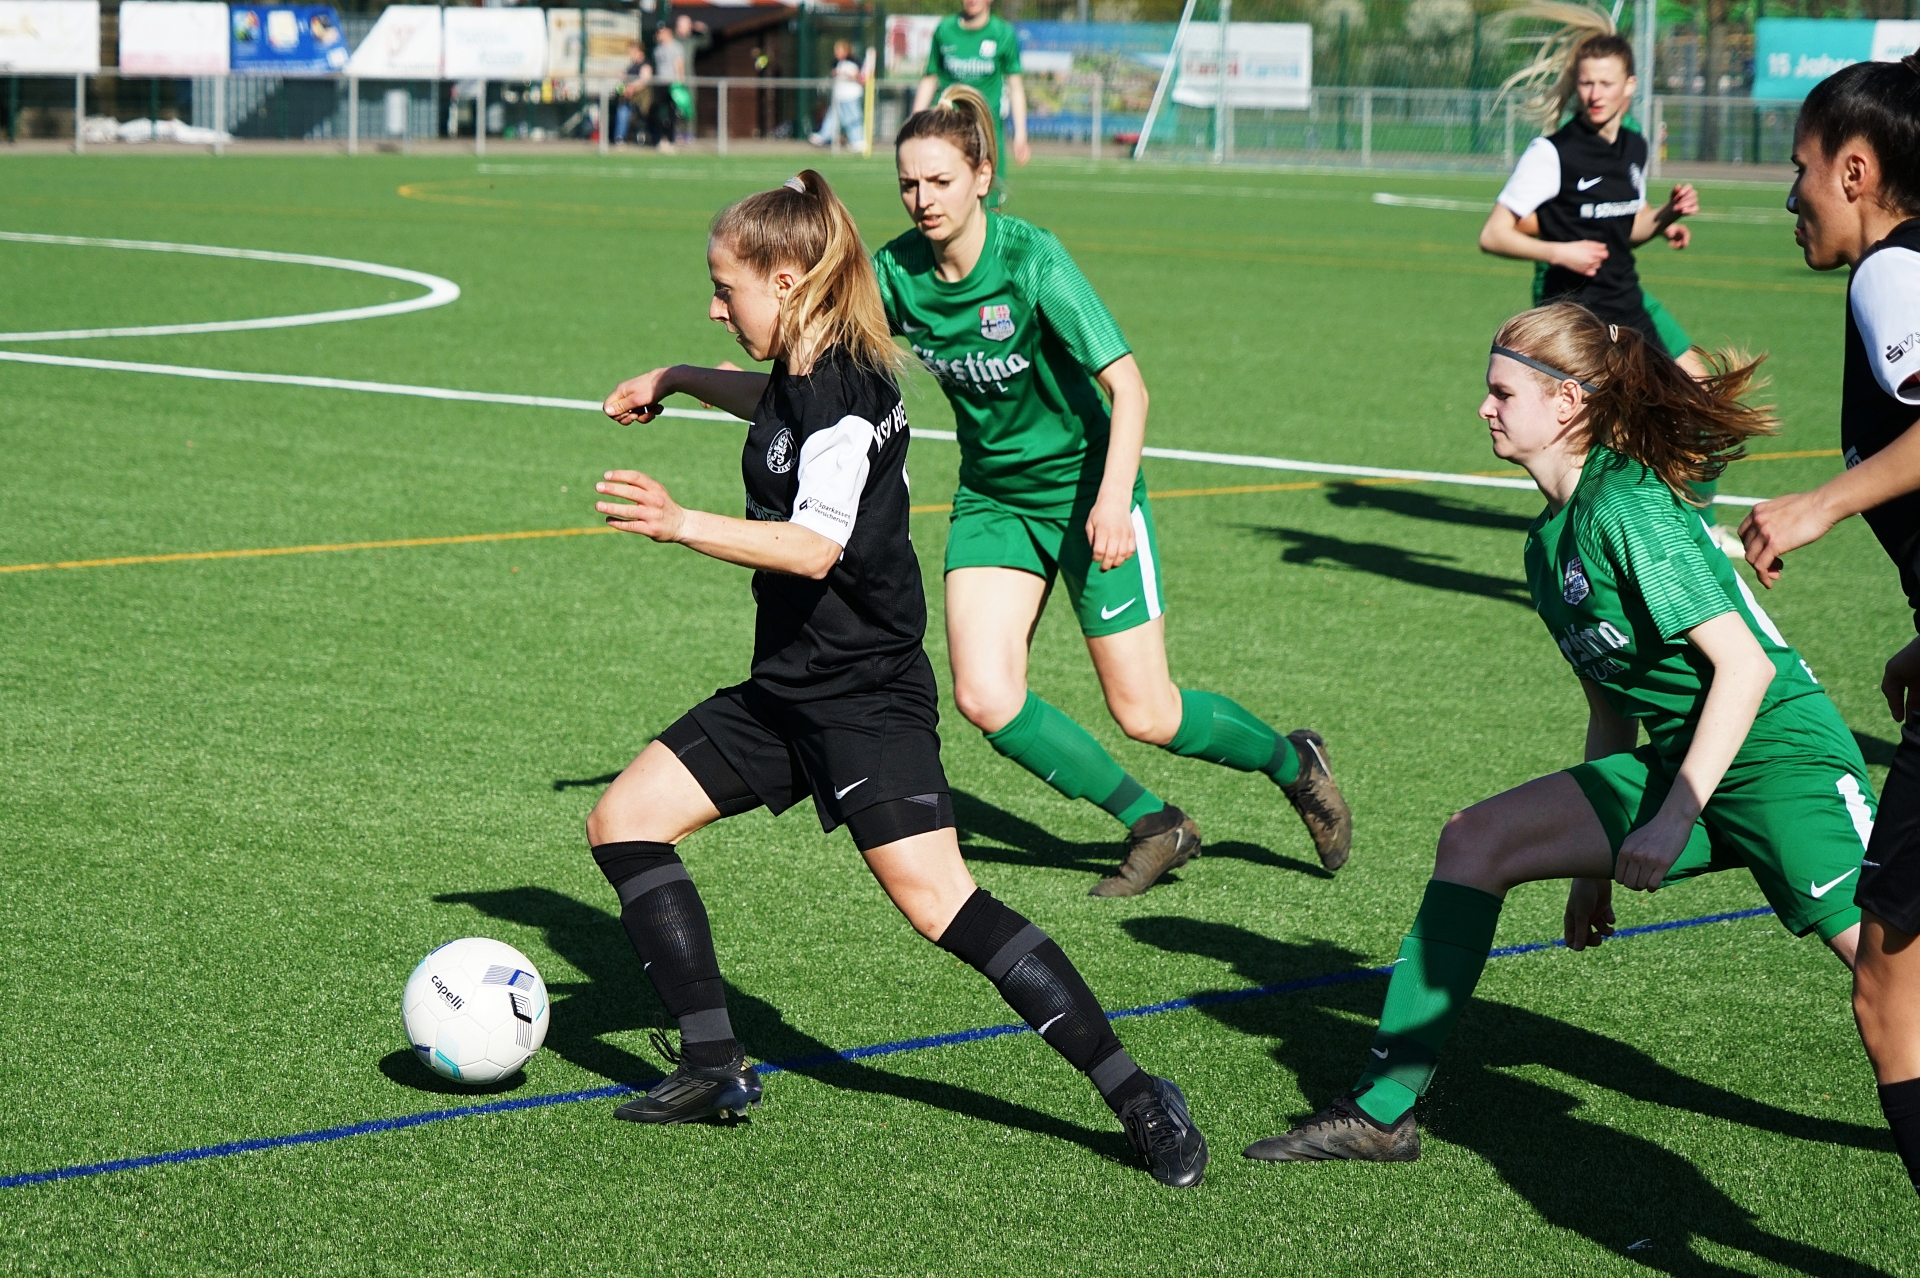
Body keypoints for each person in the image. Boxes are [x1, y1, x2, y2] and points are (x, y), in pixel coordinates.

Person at [584, 170, 1208, 1188]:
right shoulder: (806, 366)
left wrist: (680, 521)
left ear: (785, 282)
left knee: (943, 907)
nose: (715, 306)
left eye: (724, 289)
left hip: (864, 699)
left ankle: (1139, 1095)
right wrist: (682, 377)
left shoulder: (843, 391)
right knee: (623, 821)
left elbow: (812, 547)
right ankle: (713, 1065)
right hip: (787, 687)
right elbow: (771, 412)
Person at [1245, 301, 1876, 1163]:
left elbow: (1745, 669)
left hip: (1778, 756)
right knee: (1475, 841)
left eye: (1503, 392)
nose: (1485, 408)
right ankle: (1382, 1112)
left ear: (1568, 402)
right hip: (1687, 760)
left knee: (1888, 983)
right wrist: (1591, 872)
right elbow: (1612, 709)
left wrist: (1672, 821)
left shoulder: (1628, 506)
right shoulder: (1547, 546)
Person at [873, 87, 1353, 898]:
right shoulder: (895, 274)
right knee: (986, 698)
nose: (923, 199)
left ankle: (1293, 761)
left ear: (982, 177)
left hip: (1091, 488)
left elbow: (1128, 387)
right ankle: (1156, 824)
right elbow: (814, 361)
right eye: (908, 184)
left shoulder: (1031, 260)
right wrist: (694, 378)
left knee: (1147, 713)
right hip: (995, 501)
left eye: (941, 181)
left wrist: (1111, 498)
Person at [1735, 51, 1920, 1196]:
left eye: (1800, 169)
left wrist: (1820, 502)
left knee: (1890, 998)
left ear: (1855, 171)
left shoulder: (1891, 274)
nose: (1790, 196)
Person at [1477, 11, 1742, 554]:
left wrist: (1664, 217)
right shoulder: (1552, 153)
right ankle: (1592, 554)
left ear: (1630, 86)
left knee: (1703, 408)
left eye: (1605, 82)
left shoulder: (1635, 148)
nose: (1594, 93)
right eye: (1585, 82)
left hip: (1629, 303)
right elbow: (1494, 233)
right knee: (1611, 445)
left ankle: (1699, 532)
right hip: (1581, 319)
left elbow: (1627, 223)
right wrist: (1560, 250)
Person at [914, 0, 1028, 204]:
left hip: (987, 132)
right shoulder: (945, 30)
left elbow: (1016, 86)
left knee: (990, 203)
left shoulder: (1002, 33)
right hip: (949, 130)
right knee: (945, 201)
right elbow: (930, 77)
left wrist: (1020, 134)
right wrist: (914, 122)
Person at [810, 40, 867, 150]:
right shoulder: (838, 63)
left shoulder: (852, 63)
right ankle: (823, 136)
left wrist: (844, 73)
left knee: (853, 117)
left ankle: (858, 140)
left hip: (850, 95)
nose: (836, 53)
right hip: (839, 96)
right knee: (832, 117)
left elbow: (857, 76)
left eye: (839, 50)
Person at [648, 23, 685, 152]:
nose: (658, 35)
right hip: (659, 83)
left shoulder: (675, 47)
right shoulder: (657, 49)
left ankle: (670, 140)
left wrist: (680, 84)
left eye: (661, 32)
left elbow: (679, 65)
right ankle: (660, 138)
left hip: (672, 84)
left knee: (671, 114)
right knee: (655, 112)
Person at [615, 40, 647, 146]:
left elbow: (644, 80)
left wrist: (631, 88)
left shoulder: (645, 64)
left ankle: (625, 138)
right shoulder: (632, 65)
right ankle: (619, 138)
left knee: (626, 112)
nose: (630, 53)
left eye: (632, 50)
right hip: (629, 97)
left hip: (641, 99)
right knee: (622, 111)